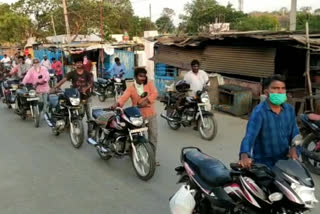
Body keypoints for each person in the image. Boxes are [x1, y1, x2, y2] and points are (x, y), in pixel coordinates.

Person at [239, 75, 299, 169]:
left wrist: (294, 148)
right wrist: (244, 155)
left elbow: (295, 133)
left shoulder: (289, 110)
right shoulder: (259, 112)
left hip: (285, 162)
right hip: (264, 164)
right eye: (275, 88)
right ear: (266, 92)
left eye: (283, 88)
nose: (280, 91)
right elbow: (249, 137)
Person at [113, 67, 159, 166]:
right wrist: (117, 104)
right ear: (135, 77)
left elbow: (155, 93)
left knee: (153, 137)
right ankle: (133, 154)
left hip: (151, 114)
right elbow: (124, 97)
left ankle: (152, 159)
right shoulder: (131, 88)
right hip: (137, 116)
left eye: (144, 76)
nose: (142, 78)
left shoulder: (149, 84)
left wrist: (147, 101)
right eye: (140, 76)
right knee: (136, 137)